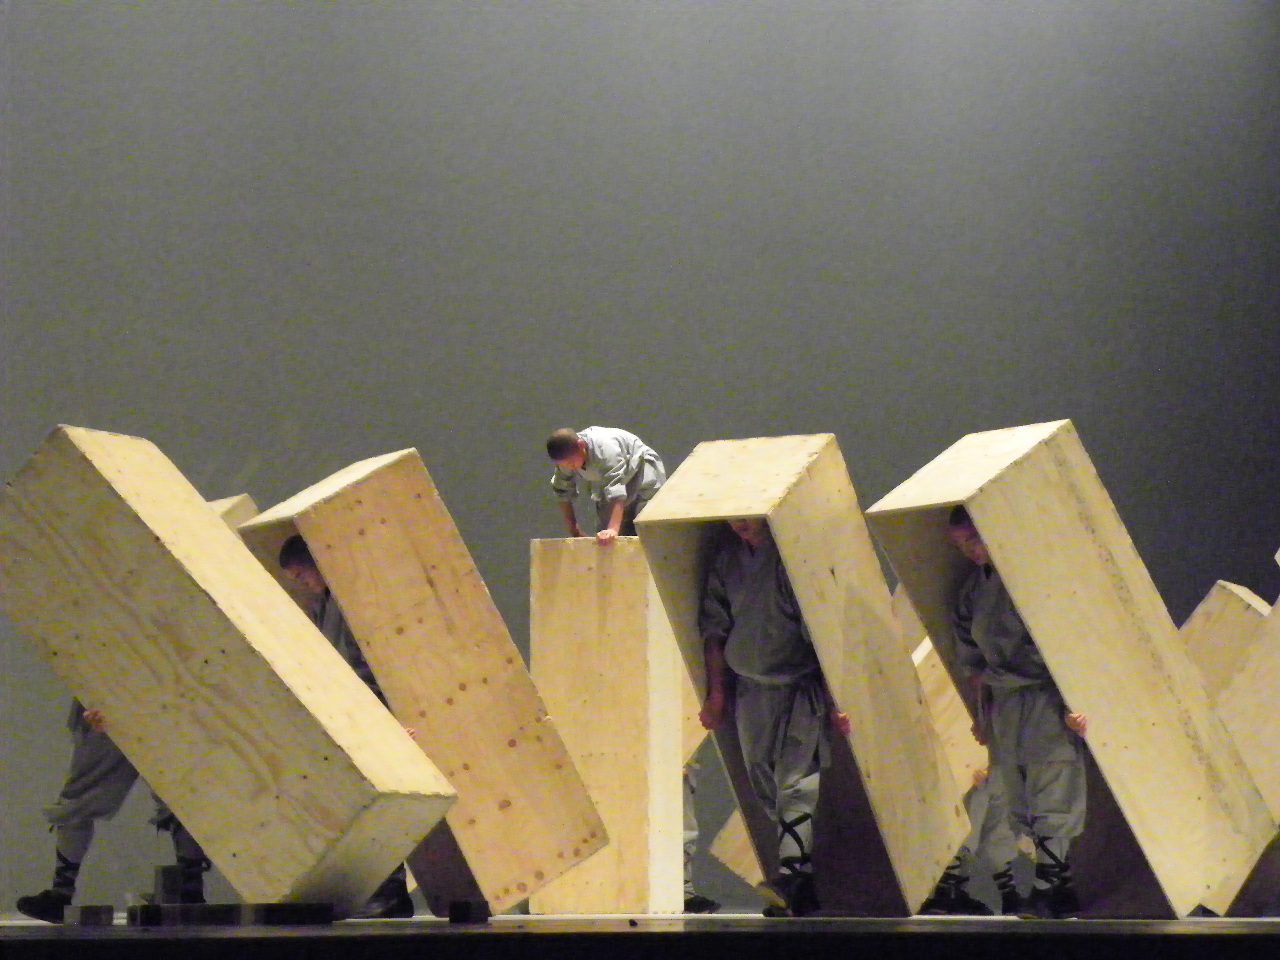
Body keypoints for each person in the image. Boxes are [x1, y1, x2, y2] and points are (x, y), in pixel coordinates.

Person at [698, 518, 850, 917]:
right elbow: (714, 631)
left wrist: (835, 701)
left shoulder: (791, 560)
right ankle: (801, 883)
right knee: (765, 781)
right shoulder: (728, 561)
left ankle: (792, 875)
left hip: (797, 686)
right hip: (751, 689)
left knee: (795, 782)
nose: (741, 525)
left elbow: (824, 637)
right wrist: (717, 694)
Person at [947, 506, 1087, 919]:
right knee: (1014, 790)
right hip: (1004, 701)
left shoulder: (1032, 582)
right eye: (961, 544)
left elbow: (1072, 644)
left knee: (1052, 783)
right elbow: (972, 661)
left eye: (974, 539)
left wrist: (1077, 701)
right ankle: (1053, 886)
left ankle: (1049, 885)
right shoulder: (973, 591)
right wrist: (981, 714)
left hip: (1045, 695)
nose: (970, 550)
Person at [279, 534, 414, 920]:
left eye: (303, 575)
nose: (304, 584)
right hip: (352, 716)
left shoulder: (348, 600)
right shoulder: (324, 604)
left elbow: (375, 661)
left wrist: (394, 719)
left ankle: (390, 892)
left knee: (383, 804)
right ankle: (377, 890)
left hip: (372, 713)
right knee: (361, 806)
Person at [15, 702, 209, 923]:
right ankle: (190, 888)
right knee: (178, 797)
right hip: (143, 707)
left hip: (143, 706)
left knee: (179, 798)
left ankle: (61, 892)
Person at [919, 766, 1020, 916]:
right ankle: (945, 887)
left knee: (989, 804)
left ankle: (953, 887)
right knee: (963, 807)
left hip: (990, 760)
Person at [546, 427, 665, 543]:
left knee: (646, 526)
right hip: (612, 481)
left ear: (581, 445)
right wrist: (575, 531)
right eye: (563, 464)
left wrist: (613, 529)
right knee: (604, 537)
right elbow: (562, 493)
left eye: (571, 462)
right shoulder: (567, 457)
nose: (569, 467)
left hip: (642, 473)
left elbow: (616, 488)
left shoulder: (606, 448)